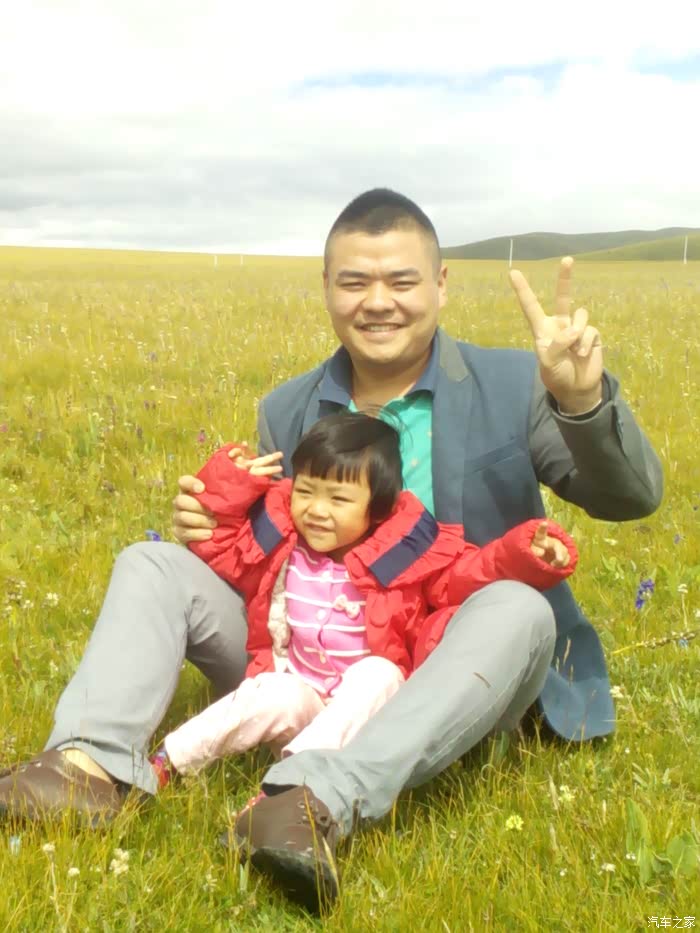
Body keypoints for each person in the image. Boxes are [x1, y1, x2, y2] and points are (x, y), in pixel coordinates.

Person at [0, 189, 662, 908]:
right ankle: (88, 768)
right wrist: (211, 518)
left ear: (441, 284)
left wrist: (581, 402)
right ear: (326, 287)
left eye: (401, 280)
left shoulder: (514, 385)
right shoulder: (288, 408)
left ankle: (313, 798)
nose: (378, 302)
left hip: (451, 659)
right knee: (151, 561)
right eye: (354, 282)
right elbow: (275, 559)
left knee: (519, 606)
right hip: (313, 661)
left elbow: (631, 498)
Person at [151, 413, 576, 801]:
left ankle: (292, 788)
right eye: (304, 492)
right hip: (301, 698)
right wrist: (231, 481)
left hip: (369, 718)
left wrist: (524, 554)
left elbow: (469, 575)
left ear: (377, 510)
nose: (316, 511)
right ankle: (168, 761)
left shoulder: (405, 551)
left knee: (379, 672)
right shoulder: (284, 546)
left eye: (339, 500)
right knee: (269, 692)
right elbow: (221, 544)